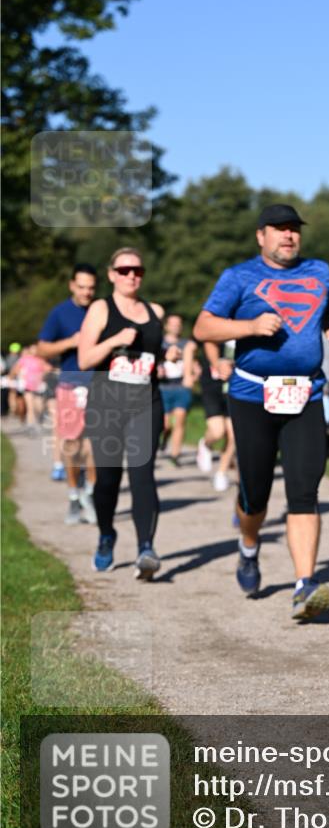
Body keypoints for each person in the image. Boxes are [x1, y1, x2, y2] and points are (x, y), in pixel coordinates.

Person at [194, 203, 329, 619]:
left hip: (306, 395)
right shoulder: (238, 276)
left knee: (304, 490)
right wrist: (249, 327)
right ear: (261, 236)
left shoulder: (319, 271)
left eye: (294, 228)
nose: (288, 235)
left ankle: (304, 586)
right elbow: (203, 326)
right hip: (252, 396)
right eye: (279, 229)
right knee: (255, 493)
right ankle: (248, 545)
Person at [78, 248, 165, 580]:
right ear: (112, 274)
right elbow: (85, 360)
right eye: (125, 270)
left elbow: (153, 358)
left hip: (146, 402)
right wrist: (115, 340)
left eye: (138, 270)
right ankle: (106, 535)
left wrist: (169, 353)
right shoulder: (101, 309)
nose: (132, 276)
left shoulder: (155, 311)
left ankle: (146, 548)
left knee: (143, 474)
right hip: (107, 404)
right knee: (108, 479)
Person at [37, 264, 98, 522]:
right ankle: (74, 496)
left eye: (91, 288)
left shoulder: (102, 310)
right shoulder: (59, 313)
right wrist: (71, 342)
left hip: (100, 385)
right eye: (81, 287)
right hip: (71, 385)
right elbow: (42, 349)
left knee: (97, 445)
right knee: (72, 445)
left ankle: (90, 494)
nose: (86, 292)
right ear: (72, 285)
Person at [196, 340, 237, 492]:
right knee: (218, 431)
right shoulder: (217, 333)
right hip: (213, 387)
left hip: (235, 388)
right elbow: (201, 342)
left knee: (234, 434)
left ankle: (221, 472)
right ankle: (206, 444)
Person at [158, 313, 197, 466]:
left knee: (180, 420)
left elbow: (193, 365)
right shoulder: (159, 343)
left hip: (181, 387)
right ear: (166, 326)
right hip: (163, 386)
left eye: (178, 324)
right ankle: (164, 437)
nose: (175, 327)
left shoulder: (187, 345)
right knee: (166, 424)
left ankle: (175, 455)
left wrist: (194, 374)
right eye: (172, 324)